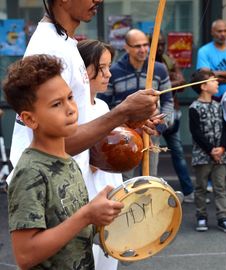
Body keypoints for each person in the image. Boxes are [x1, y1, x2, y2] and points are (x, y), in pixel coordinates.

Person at [8, 1, 159, 192]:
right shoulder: (50, 49)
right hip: (53, 195)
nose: (99, 0)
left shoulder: (64, 43)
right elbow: (57, 143)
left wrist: (124, 123)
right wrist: (123, 112)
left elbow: (77, 128)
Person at [4, 54, 124, 269]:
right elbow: (25, 255)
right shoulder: (31, 171)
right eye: (57, 104)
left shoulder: (68, 160)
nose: (70, 108)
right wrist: (86, 215)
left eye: (70, 97)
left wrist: (103, 219)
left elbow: (71, 229)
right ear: (30, 119)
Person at [98, 28, 174, 180]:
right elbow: (103, 106)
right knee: (126, 181)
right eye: (137, 46)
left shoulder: (159, 69)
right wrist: (122, 127)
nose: (143, 49)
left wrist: (159, 127)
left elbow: (168, 102)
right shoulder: (114, 71)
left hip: (152, 133)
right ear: (126, 47)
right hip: (124, 137)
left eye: (145, 45)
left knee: (150, 180)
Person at [77, 39, 122, 270]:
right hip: (84, 193)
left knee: (108, 255)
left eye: (108, 67)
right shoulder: (71, 108)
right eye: (101, 67)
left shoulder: (103, 106)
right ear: (81, 70)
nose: (108, 74)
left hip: (107, 186)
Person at [196, 19, 226, 190]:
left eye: (225, 30)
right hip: (212, 99)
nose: (222, 34)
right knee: (211, 138)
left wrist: (217, 74)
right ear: (212, 32)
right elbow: (204, 75)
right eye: (219, 31)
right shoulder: (204, 51)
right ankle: (209, 180)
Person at [189, 69, 226, 233]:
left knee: (220, 186)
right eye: (213, 80)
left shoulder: (219, 106)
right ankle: (201, 216)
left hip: (221, 156)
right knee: (201, 187)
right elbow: (196, 133)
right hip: (202, 156)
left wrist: (222, 148)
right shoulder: (194, 107)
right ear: (203, 86)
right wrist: (211, 150)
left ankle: (223, 216)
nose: (217, 82)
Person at [152, 32, 194, 202]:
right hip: (150, 116)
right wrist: (170, 82)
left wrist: (165, 83)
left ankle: (188, 190)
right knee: (149, 153)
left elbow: (182, 83)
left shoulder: (168, 60)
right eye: (157, 43)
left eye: (163, 44)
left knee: (177, 152)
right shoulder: (147, 64)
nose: (160, 47)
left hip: (169, 111)